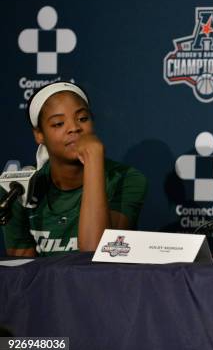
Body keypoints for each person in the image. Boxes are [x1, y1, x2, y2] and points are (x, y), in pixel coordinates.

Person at [2, 82, 147, 257]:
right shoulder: (18, 188)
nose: (74, 128)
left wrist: (93, 159)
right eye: (58, 123)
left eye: (83, 119)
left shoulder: (127, 179)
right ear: (39, 135)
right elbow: (22, 274)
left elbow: (98, 253)